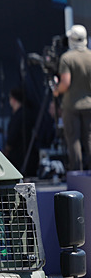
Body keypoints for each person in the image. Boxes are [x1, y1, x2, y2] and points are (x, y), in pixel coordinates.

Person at [53, 24, 91, 170]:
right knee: (89, 138)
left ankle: (77, 173)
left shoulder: (67, 58)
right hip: (89, 104)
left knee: (73, 140)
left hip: (72, 106)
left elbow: (65, 83)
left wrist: (56, 90)